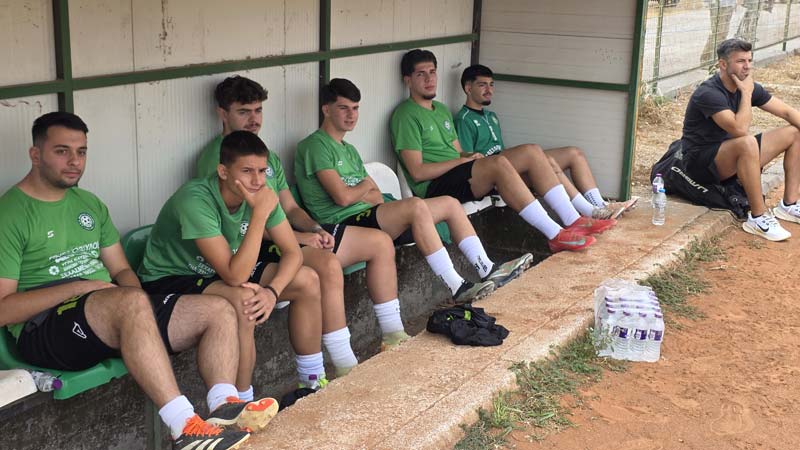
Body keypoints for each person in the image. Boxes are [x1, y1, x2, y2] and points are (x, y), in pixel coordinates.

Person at [0, 112, 252, 450]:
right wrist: (84, 287)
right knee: (130, 301)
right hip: (45, 328)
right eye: (62, 151)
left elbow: (121, 272)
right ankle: (185, 428)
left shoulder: (89, 204)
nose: (75, 161)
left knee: (218, 310)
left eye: (81, 151)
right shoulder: (10, 213)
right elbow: (3, 309)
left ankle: (224, 410)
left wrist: (139, 304)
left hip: (108, 311)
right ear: (35, 154)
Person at [295, 79, 532, 311]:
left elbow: (376, 196)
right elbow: (343, 198)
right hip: (343, 224)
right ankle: (457, 286)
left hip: (370, 214)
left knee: (449, 204)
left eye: (355, 108)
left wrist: (361, 191)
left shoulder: (349, 150)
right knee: (415, 206)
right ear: (326, 110)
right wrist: (363, 188)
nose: (351, 115)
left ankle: (487, 268)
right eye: (343, 108)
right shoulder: (315, 146)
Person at [139, 131, 328, 402]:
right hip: (173, 276)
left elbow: (293, 253)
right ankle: (242, 405)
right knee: (245, 302)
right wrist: (260, 214)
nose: (258, 180)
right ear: (223, 172)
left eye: (262, 170)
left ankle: (313, 383)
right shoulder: (195, 198)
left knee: (306, 280)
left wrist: (272, 292)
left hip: (221, 269)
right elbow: (235, 276)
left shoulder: (262, 193)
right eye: (247, 171)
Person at [196, 76, 359, 374]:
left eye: (258, 110)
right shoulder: (217, 160)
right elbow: (242, 222)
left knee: (326, 262)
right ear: (223, 114)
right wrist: (296, 238)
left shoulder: (265, 155)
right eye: (243, 111)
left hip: (271, 238)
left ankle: (330, 369)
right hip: (238, 250)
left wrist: (313, 229)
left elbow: (290, 207)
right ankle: (340, 365)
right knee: (319, 269)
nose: (254, 119)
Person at [390, 49, 617, 253]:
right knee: (498, 163)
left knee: (532, 152)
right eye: (421, 74)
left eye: (432, 72)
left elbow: (458, 152)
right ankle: (555, 234)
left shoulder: (440, 109)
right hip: (436, 186)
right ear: (407, 80)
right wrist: (461, 162)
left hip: (461, 175)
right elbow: (417, 172)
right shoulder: (405, 115)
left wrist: (469, 157)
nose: (429, 79)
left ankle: (573, 220)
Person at [455, 64, 637, 220]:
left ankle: (601, 206)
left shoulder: (491, 116)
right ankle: (591, 212)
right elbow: (470, 162)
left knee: (574, 153)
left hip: (509, 166)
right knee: (543, 159)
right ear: (468, 88)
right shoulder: (463, 119)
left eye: (491, 85)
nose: (489, 90)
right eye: (482, 85)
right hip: (494, 175)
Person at [678, 38, 800, 241]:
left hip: (732, 155)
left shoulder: (748, 86)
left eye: (749, 60)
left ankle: (789, 205)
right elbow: (740, 129)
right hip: (701, 164)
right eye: (741, 61)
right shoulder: (709, 92)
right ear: (723, 64)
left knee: (795, 132)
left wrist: (747, 91)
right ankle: (757, 217)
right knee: (747, 142)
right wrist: (746, 94)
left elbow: (787, 112)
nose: (747, 66)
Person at [701, 0, 736, 66]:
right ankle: (708, 59)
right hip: (717, 4)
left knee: (723, 33)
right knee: (719, 33)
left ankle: (711, 59)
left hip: (728, 4)